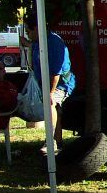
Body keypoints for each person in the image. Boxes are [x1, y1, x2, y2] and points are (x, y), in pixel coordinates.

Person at [24, 15, 75, 151]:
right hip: (46, 83)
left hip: (60, 84)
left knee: (50, 103)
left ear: (36, 29)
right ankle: (58, 142)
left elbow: (56, 72)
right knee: (56, 108)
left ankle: (51, 141)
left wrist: (51, 93)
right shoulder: (37, 41)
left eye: (28, 32)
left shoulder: (53, 42)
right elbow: (32, 45)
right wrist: (27, 44)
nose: (28, 36)